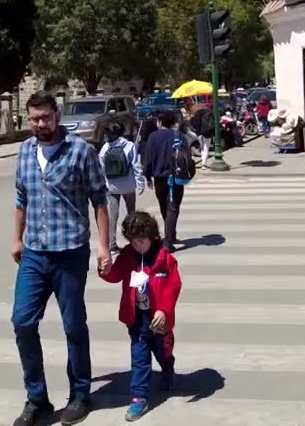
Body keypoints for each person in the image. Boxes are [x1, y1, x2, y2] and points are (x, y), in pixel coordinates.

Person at [11, 91, 111, 426]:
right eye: (35, 119)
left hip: (69, 252)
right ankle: (36, 399)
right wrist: (16, 238)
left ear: (57, 115)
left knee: (73, 326)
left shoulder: (81, 151)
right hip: (34, 253)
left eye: (46, 117)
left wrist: (104, 246)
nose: (40, 124)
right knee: (23, 322)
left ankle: (80, 394)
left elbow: (99, 199)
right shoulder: (25, 151)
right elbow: (21, 197)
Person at [98, 212, 181, 422]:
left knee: (163, 351)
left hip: (159, 321)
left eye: (141, 241)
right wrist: (105, 270)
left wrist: (163, 309)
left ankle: (168, 366)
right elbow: (116, 275)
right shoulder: (127, 256)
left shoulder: (165, 259)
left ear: (152, 237)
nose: (138, 245)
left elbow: (173, 286)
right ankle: (138, 397)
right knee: (140, 359)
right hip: (137, 319)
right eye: (134, 242)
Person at [142, 111, 191, 249]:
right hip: (175, 177)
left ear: (159, 122)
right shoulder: (178, 135)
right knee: (173, 207)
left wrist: (147, 176)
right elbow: (186, 156)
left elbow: (148, 158)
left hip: (159, 178)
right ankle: (169, 239)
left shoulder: (153, 137)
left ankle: (170, 234)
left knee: (164, 206)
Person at [98, 121, 144, 256]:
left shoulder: (105, 148)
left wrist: (105, 185)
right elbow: (136, 166)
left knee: (113, 216)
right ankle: (134, 241)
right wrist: (140, 183)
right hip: (129, 185)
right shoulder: (129, 146)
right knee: (131, 214)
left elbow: (102, 169)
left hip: (112, 187)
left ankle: (112, 244)